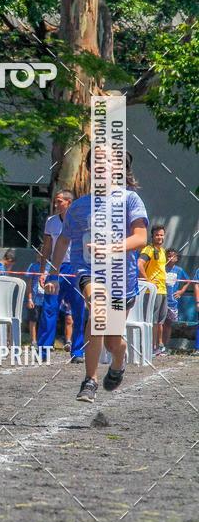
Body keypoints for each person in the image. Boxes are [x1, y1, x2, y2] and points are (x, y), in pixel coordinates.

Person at [46, 150, 148, 404]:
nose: (104, 164)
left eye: (110, 160)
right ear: (92, 168)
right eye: (98, 160)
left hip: (123, 279)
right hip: (89, 272)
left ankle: (118, 358)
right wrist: (53, 274)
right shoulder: (79, 207)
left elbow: (140, 238)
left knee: (114, 341)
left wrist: (111, 247)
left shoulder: (130, 200)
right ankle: (89, 381)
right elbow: (63, 241)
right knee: (97, 315)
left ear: (120, 169)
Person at [38, 190, 86, 364]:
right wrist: (43, 271)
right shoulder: (51, 222)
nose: (56, 205)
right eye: (55, 202)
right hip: (56, 269)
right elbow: (47, 247)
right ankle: (43, 350)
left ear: (69, 202)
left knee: (79, 310)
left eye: (59, 201)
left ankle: (78, 351)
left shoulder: (81, 220)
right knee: (49, 309)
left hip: (76, 269)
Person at [138, 225, 167, 355]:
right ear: (152, 236)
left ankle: (157, 347)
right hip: (152, 292)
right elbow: (139, 265)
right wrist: (148, 281)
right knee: (152, 321)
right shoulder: (148, 249)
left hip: (163, 290)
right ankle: (149, 347)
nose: (159, 237)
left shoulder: (162, 251)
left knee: (160, 321)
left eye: (161, 235)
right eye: (157, 235)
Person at [163, 249, 190, 348]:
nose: (170, 258)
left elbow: (188, 281)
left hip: (172, 301)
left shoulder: (179, 270)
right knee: (159, 323)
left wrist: (181, 291)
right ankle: (157, 345)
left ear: (177, 258)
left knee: (168, 324)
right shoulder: (162, 268)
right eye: (168, 256)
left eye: (173, 256)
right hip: (161, 299)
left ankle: (165, 345)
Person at [25, 256, 44, 345]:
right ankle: (33, 341)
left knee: (45, 320)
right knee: (33, 319)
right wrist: (29, 298)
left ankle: (44, 341)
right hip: (35, 299)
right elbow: (29, 283)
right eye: (38, 254)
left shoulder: (51, 266)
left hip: (47, 299)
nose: (39, 257)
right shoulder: (33, 266)